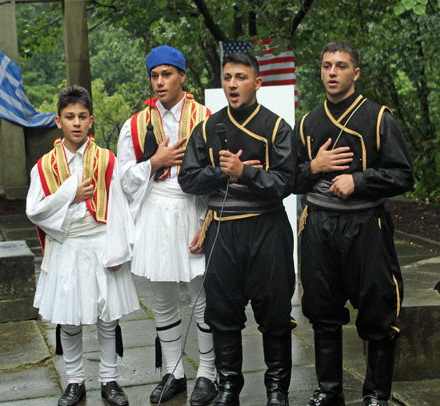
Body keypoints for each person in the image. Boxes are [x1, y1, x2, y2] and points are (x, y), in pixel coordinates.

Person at [294, 41, 414, 406]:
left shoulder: (378, 118)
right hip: (318, 227)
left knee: (378, 310)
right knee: (322, 310)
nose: (332, 72)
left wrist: (358, 181)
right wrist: (314, 167)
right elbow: (290, 179)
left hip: (365, 226)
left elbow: (403, 175)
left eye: (341, 66)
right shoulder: (307, 124)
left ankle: (376, 395)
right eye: (327, 65)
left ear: (355, 72)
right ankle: (329, 392)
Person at [179, 52, 297, 406]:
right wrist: (223, 172)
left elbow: (288, 182)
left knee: (275, 313)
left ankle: (277, 390)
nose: (233, 84)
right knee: (223, 313)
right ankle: (229, 387)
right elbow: (188, 178)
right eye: (228, 77)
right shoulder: (206, 128)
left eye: (241, 77)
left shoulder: (277, 128)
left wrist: (246, 173)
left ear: (257, 83)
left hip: (267, 230)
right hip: (224, 231)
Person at [115, 46, 217, 405]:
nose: (160, 82)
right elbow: (123, 178)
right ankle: (173, 370)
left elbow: (220, 172)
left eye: (167, 74)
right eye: (154, 75)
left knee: (202, 296)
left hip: (192, 207)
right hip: (155, 209)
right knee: (162, 298)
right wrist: (153, 162)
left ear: (182, 76)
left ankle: (208, 371)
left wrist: (208, 221)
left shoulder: (206, 118)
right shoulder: (136, 124)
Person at [26, 85, 140, 406]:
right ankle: (75, 381)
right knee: (69, 316)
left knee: (108, 316)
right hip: (67, 244)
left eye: (82, 116)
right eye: (69, 117)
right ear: (58, 121)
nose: (76, 123)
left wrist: (120, 249)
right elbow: (35, 210)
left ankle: (109, 379)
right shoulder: (45, 165)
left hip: (101, 243)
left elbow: (120, 206)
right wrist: (69, 195)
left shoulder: (106, 160)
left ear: (91, 120)